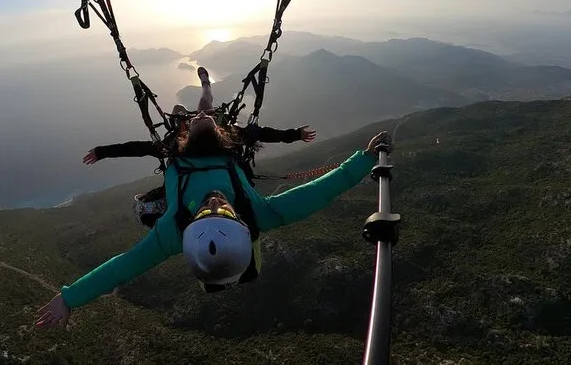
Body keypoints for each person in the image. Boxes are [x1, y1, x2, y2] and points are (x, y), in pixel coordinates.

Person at [35, 123, 392, 329]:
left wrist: (69, 298)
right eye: (223, 210)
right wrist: (363, 160)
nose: (216, 201)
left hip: (184, 153)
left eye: (206, 210)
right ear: (240, 222)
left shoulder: (170, 234)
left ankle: (152, 200)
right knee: (212, 122)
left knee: (154, 190)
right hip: (221, 148)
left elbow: (119, 268)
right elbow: (318, 192)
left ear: (190, 228)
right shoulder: (258, 214)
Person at [82, 66, 316, 227]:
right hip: (209, 159)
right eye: (207, 118)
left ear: (187, 133)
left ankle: (197, 95)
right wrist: (295, 134)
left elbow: (136, 148)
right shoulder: (232, 135)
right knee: (205, 100)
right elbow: (264, 134)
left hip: (188, 159)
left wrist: (102, 152)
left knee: (178, 110)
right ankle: (206, 83)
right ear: (217, 128)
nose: (201, 114)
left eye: (198, 118)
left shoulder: (173, 145)